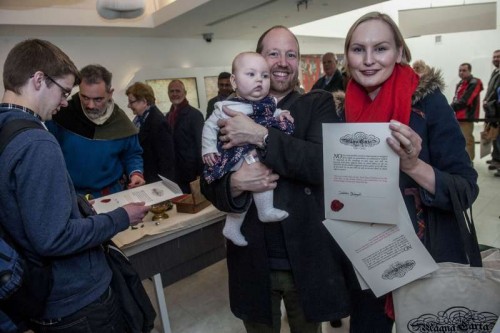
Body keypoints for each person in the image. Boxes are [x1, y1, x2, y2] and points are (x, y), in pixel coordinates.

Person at [201, 26, 353, 332]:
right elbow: (208, 181)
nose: (283, 61)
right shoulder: (228, 110)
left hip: (305, 257)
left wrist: (258, 134)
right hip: (252, 256)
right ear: (258, 58)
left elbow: (322, 165)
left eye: (291, 54)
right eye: (273, 53)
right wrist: (235, 183)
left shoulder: (316, 104)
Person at [338, 12, 479, 332]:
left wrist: (413, 165)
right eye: (358, 49)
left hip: (428, 256)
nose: (369, 60)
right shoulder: (341, 109)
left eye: (381, 48)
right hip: (367, 258)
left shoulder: (428, 104)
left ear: (400, 52)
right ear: (347, 56)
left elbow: (466, 189)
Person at [0, 39, 150, 333]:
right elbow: (54, 238)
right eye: (66, 92)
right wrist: (121, 217)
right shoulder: (38, 141)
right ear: (39, 79)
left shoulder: (6, 127)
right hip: (74, 298)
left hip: (40, 290)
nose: (65, 102)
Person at [202, 52, 294, 246]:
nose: (259, 80)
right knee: (244, 187)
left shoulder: (268, 103)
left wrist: (282, 113)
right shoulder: (225, 106)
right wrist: (208, 148)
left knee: (263, 177)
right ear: (234, 81)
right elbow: (210, 126)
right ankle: (233, 225)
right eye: (251, 74)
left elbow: (272, 114)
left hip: (254, 155)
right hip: (232, 156)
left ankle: (264, 211)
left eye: (264, 75)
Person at [47, 64, 145, 198]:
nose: (90, 105)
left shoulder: (121, 122)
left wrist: (135, 173)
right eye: (85, 97)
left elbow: (132, 154)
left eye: (98, 99)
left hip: (110, 196)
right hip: (70, 196)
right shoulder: (61, 115)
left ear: (110, 93)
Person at [126, 82, 175, 183]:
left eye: (131, 102)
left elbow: (166, 160)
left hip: (155, 182)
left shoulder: (158, 122)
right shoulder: (140, 120)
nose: (128, 106)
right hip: (145, 177)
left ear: (144, 101)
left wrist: (163, 187)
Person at [165, 79, 204, 193]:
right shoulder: (168, 116)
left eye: (178, 91)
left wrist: (200, 173)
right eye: (171, 91)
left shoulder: (195, 115)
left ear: (185, 93)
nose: (175, 94)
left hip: (191, 172)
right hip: (175, 172)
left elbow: (200, 145)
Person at [451, 63, 483, 162]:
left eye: (464, 70)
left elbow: (466, 100)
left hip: (466, 117)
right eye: (460, 70)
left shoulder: (475, 82)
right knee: (459, 140)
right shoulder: (460, 83)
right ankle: (462, 161)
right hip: (458, 116)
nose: (461, 72)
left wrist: (450, 107)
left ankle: (469, 162)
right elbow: (456, 99)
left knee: (467, 139)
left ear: (470, 71)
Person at [484, 50, 500, 174]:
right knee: (495, 136)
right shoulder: (496, 72)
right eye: (494, 57)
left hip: (497, 110)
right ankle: (496, 159)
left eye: (498, 57)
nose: (496, 59)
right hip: (492, 110)